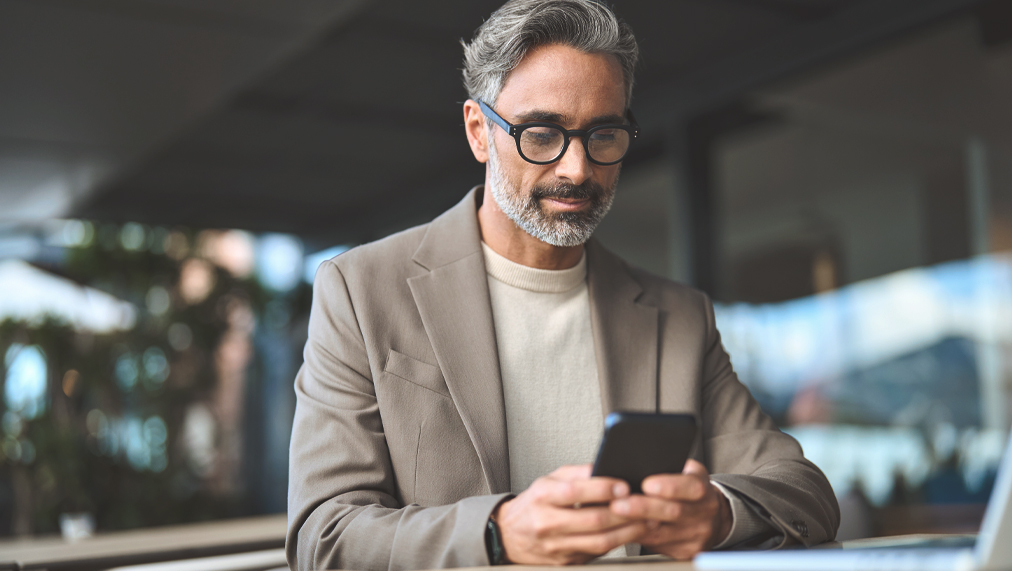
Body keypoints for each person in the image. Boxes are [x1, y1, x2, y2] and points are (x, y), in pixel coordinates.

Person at [286, 1, 840, 569]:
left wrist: (718, 514)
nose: (577, 168)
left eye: (604, 133)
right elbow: (324, 536)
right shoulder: (362, 290)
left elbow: (804, 492)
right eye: (542, 133)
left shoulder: (679, 317)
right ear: (479, 132)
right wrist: (497, 534)